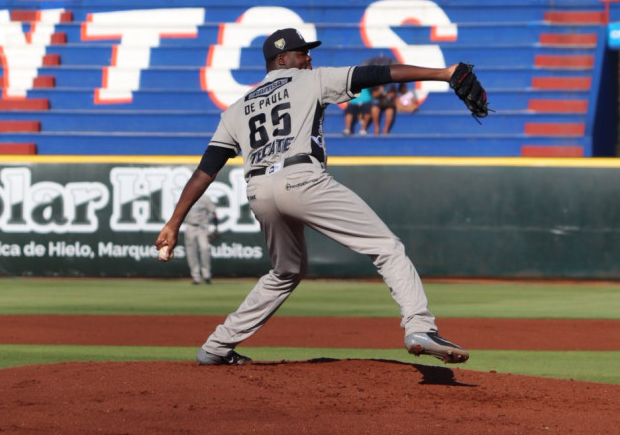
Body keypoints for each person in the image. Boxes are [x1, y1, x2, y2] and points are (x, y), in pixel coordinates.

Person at [155, 28, 482, 366]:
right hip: (301, 178)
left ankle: (216, 347)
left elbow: (205, 170)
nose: (308, 57)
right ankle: (420, 327)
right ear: (282, 60)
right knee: (386, 247)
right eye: (301, 52)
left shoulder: (236, 108)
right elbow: (377, 74)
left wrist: (173, 223)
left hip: (258, 192)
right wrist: (442, 73)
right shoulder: (310, 80)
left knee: (285, 271)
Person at [183, 194, 218, 285]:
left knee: (205, 249)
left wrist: (216, 226)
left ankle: (206, 275)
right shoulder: (186, 197)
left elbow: (213, 211)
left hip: (202, 227)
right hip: (190, 226)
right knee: (191, 252)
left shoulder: (205, 198)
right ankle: (196, 277)